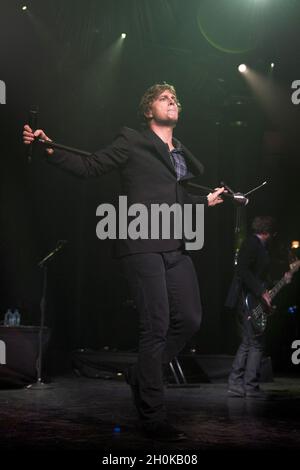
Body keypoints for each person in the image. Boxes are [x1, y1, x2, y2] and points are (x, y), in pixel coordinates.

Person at [23, 83, 224, 440]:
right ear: (149, 111)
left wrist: (204, 202)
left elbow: (176, 205)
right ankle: (153, 418)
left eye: (175, 98)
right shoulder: (132, 140)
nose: (172, 101)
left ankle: (141, 374)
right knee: (156, 325)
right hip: (140, 242)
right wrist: (49, 149)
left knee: (191, 319)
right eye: (164, 98)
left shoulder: (180, 154)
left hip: (175, 245)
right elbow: (89, 165)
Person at [227, 216, 291, 399]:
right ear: (267, 232)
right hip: (246, 298)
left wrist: (280, 283)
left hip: (254, 298)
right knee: (252, 342)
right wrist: (261, 292)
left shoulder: (261, 247)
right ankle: (241, 384)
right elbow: (243, 271)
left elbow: (258, 275)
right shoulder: (251, 243)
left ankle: (244, 384)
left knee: (254, 342)